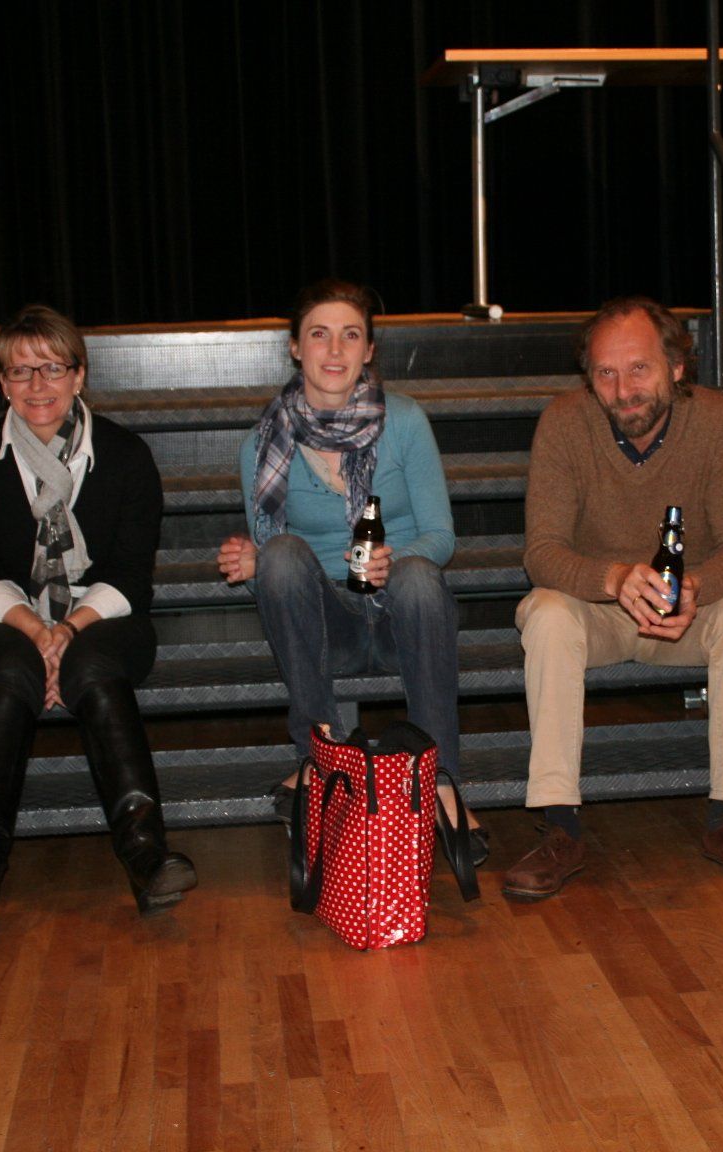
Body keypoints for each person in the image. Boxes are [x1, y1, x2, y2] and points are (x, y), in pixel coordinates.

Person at [504, 296, 723, 899]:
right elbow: (542, 553)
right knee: (546, 614)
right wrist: (613, 579)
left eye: (639, 369)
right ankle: (560, 826)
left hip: (687, 614)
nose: (623, 389)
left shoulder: (716, 421)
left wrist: (697, 587)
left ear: (676, 367)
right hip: (597, 614)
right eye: (605, 372)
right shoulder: (564, 422)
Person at [0, 304, 196, 928]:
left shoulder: (125, 455)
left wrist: (67, 629)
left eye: (52, 368)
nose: (37, 385)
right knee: (9, 671)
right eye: (20, 371)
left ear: (79, 375)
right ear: (2, 382)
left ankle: (145, 854)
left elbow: (131, 576)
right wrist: (36, 631)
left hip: (106, 614)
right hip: (8, 616)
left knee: (95, 664)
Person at [216, 279, 486, 862]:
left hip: (402, 618)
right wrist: (253, 560)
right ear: (295, 347)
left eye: (350, 335)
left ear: (369, 350)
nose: (334, 350)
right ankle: (320, 757)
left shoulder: (405, 421)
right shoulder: (261, 444)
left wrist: (397, 560)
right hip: (328, 626)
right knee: (280, 554)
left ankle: (439, 778)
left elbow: (442, 536)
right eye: (319, 334)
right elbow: (271, 566)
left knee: (419, 575)